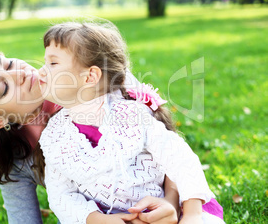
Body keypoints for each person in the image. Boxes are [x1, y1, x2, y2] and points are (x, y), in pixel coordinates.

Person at [0, 49, 182, 224]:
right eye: (3, 87)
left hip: (157, 201)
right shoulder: (17, 162)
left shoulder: (88, 76)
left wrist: (170, 202)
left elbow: (170, 147)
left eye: (7, 64)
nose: (19, 73)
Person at [37, 22, 225, 224]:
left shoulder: (132, 115)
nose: (40, 71)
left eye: (53, 64)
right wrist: (99, 220)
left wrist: (192, 214)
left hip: (161, 211)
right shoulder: (54, 135)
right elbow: (61, 194)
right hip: (108, 219)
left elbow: (180, 158)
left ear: (90, 76)